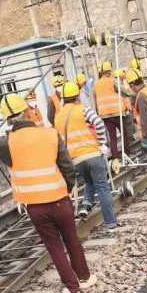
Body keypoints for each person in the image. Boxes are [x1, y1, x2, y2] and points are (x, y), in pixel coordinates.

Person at [0, 94, 95, 293]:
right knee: (72, 240)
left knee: (54, 246)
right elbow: (67, 167)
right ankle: (85, 278)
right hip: (60, 199)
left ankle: (73, 288)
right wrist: (66, 189)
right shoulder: (50, 134)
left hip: (35, 207)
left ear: (7, 120)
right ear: (27, 111)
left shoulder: (7, 144)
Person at [54, 81, 118, 230]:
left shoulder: (58, 118)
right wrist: (102, 143)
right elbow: (99, 124)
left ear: (63, 98)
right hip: (93, 154)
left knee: (90, 182)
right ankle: (111, 223)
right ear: (77, 96)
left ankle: (86, 205)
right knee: (102, 187)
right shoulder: (83, 109)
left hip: (75, 160)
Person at [93, 61, 133, 164]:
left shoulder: (96, 84)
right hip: (117, 112)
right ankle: (127, 154)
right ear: (108, 72)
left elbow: (95, 99)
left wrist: (98, 112)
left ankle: (115, 156)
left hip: (105, 115)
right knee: (124, 134)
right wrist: (133, 93)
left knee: (112, 136)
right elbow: (124, 91)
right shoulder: (112, 81)